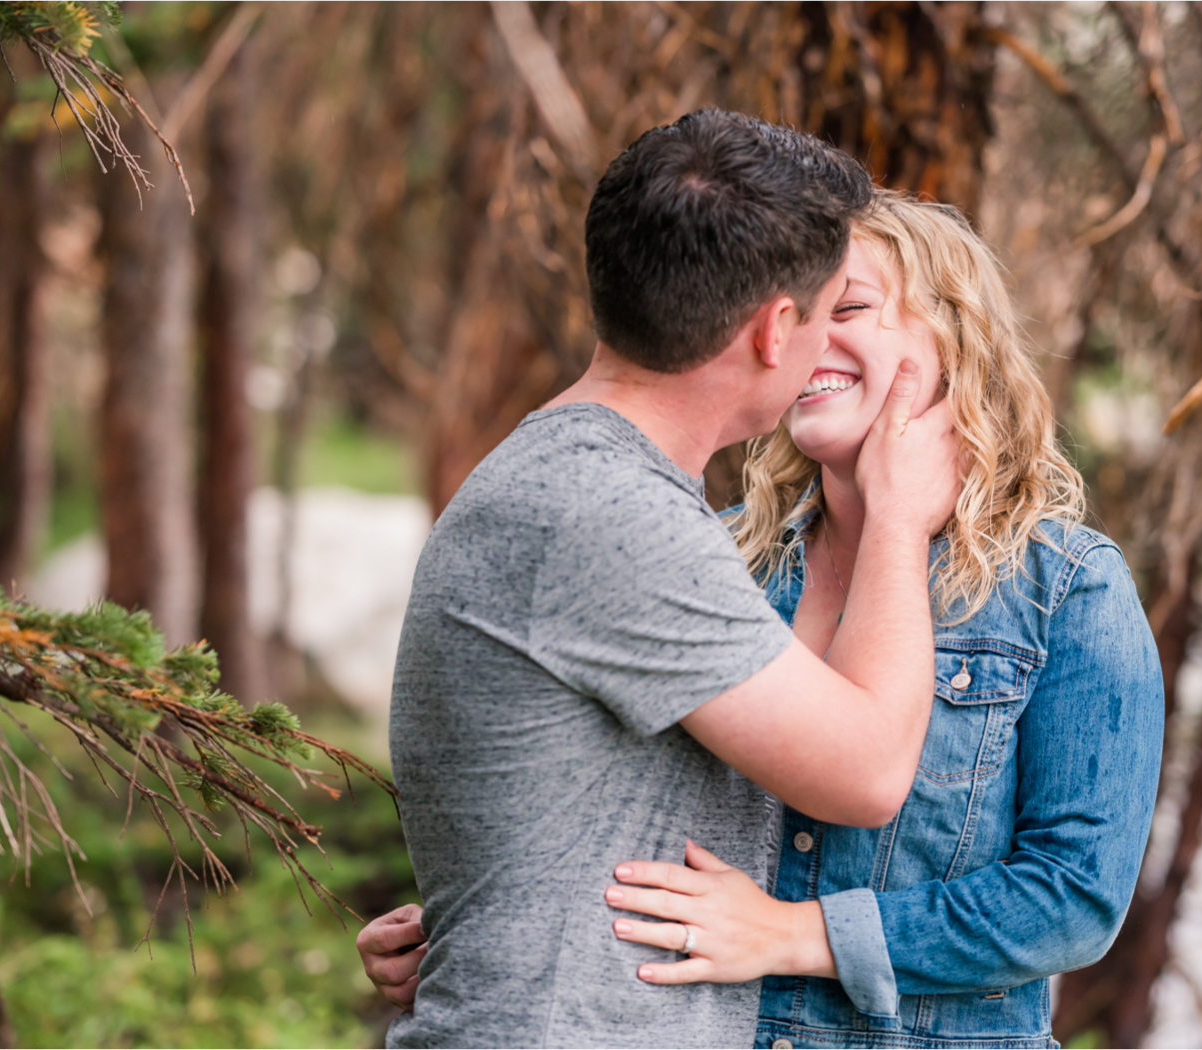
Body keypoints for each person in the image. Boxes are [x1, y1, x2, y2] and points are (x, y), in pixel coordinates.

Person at [362, 191, 1165, 1049]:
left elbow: (1073, 900)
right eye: (806, 315)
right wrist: (494, 927)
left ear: (954, 336)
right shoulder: (716, 559)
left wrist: (795, 934)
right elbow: (616, 802)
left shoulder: (1067, 591)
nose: (814, 339)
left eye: (849, 308)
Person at [378, 111, 961, 1050]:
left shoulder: (590, 486)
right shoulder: (605, 512)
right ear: (777, 331)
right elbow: (866, 774)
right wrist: (897, 520)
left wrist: (477, 918)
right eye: (828, 311)